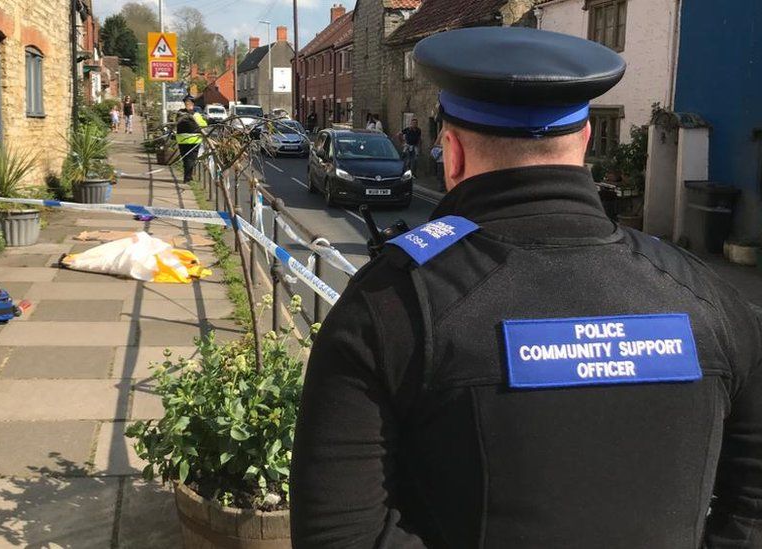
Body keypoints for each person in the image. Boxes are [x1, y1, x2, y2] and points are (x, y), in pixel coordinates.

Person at [290, 26, 762, 548]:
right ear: (583, 142)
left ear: (453, 153)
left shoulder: (388, 306)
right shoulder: (710, 299)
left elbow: (338, 533)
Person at [174, 94, 207, 184]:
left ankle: (188, 176)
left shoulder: (180, 113)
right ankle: (187, 177)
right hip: (194, 139)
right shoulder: (196, 115)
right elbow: (203, 124)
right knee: (191, 159)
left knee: (185, 159)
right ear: (193, 104)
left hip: (181, 139)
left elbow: (176, 122)